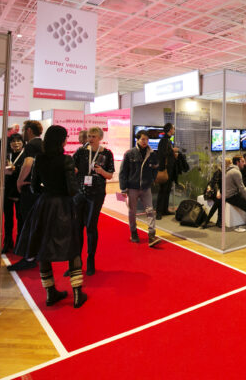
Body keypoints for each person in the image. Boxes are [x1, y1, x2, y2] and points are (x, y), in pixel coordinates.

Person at [14, 125, 88, 308]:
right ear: (61, 140)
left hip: (44, 205)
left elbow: (34, 187)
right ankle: (77, 293)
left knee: (43, 248)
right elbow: (72, 189)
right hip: (63, 206)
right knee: (73, 247)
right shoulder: (66, 160)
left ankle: (50, 293)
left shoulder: (40, 159)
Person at [72, 127, 114, 275]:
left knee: (91, 226)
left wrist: (101, 171)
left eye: (93, 136)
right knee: (77, 227)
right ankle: (76, 261)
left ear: (100, 138)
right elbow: (72, 168)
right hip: (80, 193)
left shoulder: (106, 153)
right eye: (89, 136)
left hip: (96, 194)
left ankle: (91, 259)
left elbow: (110, 175)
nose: (90, 139)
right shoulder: (81, 151)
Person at [8, 120, 44, 271]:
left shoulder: (31, 145)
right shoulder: (42, 144)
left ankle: (29, 257)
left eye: (23, 130)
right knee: (35, 222)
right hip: (39, 189)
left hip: (29, 189)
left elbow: (28, 163)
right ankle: (34, 254)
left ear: (29, 130)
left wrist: (19, 181)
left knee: (27, 222)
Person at [119, 129, 160, 247]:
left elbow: (156, 168)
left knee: (150, 210)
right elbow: (123, 172)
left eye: (147, 139)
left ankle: (151, 235)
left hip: (146, 187)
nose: (145, 141)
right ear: (137, 140)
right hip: (132, 187)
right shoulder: (129, 153)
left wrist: (152, 179)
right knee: (132, 211)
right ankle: (133, 233)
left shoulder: (152, 154)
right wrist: (123, 188)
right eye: (142, 139)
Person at [0, 133, 24, 254]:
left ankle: (20, 243)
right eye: (13, 141)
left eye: (18, 141)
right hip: (6, 190)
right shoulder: (6, 155)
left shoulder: (25, 155)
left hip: (19, 191)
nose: (16, 143)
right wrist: (2, 171)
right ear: (9, 144)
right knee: (7, 218)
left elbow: (27, 172)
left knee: (20, 218)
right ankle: (8, 242)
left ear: (23, 143)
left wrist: (14, 170)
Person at [155, 123, 178, 219]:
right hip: (165, 169)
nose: (174, 130)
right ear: (170, 129)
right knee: (163, 190)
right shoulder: (164, 140)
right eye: (173, 128)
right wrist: (173, 151)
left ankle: (165, 210)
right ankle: (159, 212)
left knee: (167, 190)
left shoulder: (168, 140)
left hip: (170, 169)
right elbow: (162, 154)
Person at [200, 160, 229, 229]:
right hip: (214, 192)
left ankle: (209, 220)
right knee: (220, 200)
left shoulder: (227, 173)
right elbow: (215, 183)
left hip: (222, 192)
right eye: (227, 164)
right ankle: (217, 221)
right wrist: (218, 191)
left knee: (219, 201)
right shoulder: (218, 172)